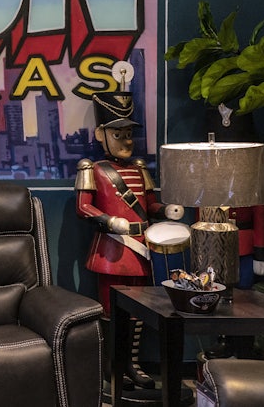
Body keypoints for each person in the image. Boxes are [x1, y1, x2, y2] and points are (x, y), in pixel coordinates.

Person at [76, 90, 184, 390]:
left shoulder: (138, 169)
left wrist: (166, 210)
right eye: (118, 133)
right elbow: (84, 208)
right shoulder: (92, 169)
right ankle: (113, 369)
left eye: (128, 134)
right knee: (112, 316)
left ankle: (131, 365)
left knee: (138, 316)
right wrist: (110, 221)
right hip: (112, 252)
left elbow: (148, 205)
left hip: (140, 252)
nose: (126, 141)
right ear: (101, 134)